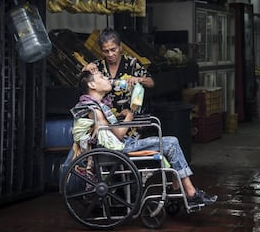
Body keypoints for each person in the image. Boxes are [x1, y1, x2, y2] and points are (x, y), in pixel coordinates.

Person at [69, 70, 218, 206]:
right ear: (92, 84)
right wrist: (129, 116)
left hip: (118, 146)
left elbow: (110, 131)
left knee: (170, 143)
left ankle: (178, 189)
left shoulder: (93, 105)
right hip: (120, 149)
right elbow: (119, 134)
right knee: (172, 142)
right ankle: (190, 193)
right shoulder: (95, 109)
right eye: (102, 77)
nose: (107, 78)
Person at [82, 27, 155, 115]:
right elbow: (83, 84)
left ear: (120, 47)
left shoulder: (132, 64)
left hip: (130, 117)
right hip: (105, 117)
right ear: (101, 51)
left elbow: (151, 83)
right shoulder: (97, 66)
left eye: (113, 50)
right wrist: (85, 69)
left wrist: (139, 79)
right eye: (106, 51)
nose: (110, 54)